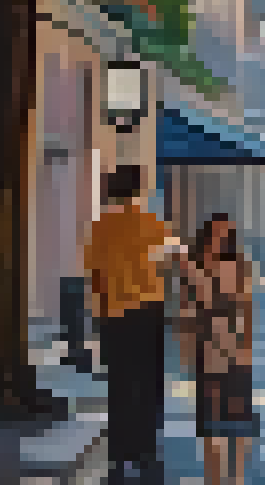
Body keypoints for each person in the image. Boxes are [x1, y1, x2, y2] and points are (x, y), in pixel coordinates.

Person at [82, 166, 179, 484]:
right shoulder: (154, 225)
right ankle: (145, 451)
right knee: (148, 382)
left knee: (119, 382)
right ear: (138, 189)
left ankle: (119, 453)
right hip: (149, 312)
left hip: (114, 313)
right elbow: (169, 266)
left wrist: (99, 314)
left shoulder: (99, 228)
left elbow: (94, 277)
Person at [177, 215, 259, 485]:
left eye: (225, 235)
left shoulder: (237, 266)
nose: (219, 240)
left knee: (238, 420)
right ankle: (213, 479)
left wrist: (247, 344)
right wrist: (186, 346)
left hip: (234, 349)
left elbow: (246, 305)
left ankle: (236, 478)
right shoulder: (194, 266)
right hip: (207, 348)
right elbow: (187, 310)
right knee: (211, 422)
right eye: (214, 234)